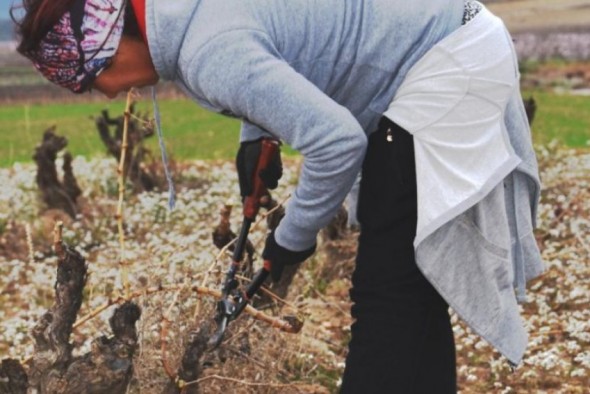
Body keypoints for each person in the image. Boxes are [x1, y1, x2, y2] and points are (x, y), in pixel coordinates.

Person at [13, 0, 544, 392]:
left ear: (112, 45)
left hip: (444, 65)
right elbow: (276, 42)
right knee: (409, 280)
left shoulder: (205, 51)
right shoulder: (190, 19)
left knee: (387, 292)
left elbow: (337, 142)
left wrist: (292, 239)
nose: (106, 92)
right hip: (455, 38)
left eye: (93, 77)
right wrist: (256, 138)